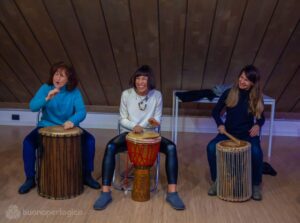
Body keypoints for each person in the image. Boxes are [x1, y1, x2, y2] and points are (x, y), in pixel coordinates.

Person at [93, 65, 185, 210]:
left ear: (150, 81)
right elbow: (122, 118)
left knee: (171, 147)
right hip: (128, 134)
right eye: (138, 78)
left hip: (150, 135)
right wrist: (134, 126)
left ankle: (172, 192)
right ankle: (105, 192)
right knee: (110, 146)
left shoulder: (157, 95)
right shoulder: (126, 94)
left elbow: (157, 117)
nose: (140, 82)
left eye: (144, 78)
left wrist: (143, 126)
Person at [18, 62, 100, 194]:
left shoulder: (74, 92)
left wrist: (72, 121)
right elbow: (32, 107)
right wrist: (47, 97)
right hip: (45, 127)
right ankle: (30, 178)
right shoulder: (46, 88)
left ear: (69, 79)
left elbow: (81, 111)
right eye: (56, 74)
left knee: (90, 141)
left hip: (69, 128)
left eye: (62, 75)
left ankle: (86, 176)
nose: (58, 78)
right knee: (27, 143)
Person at [206, 65, 265, 201]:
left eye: (246, 80)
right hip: (228, 132)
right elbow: (215, 111)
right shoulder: (229, 92)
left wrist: (257, 125)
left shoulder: (256, 96)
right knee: (210, 147)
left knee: (256, 152)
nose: (242, 81)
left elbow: (262, 117)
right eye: (241, 77)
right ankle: (216, 181)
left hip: (247, 135)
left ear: (253, 83)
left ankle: (255, 185)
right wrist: (220, 124)